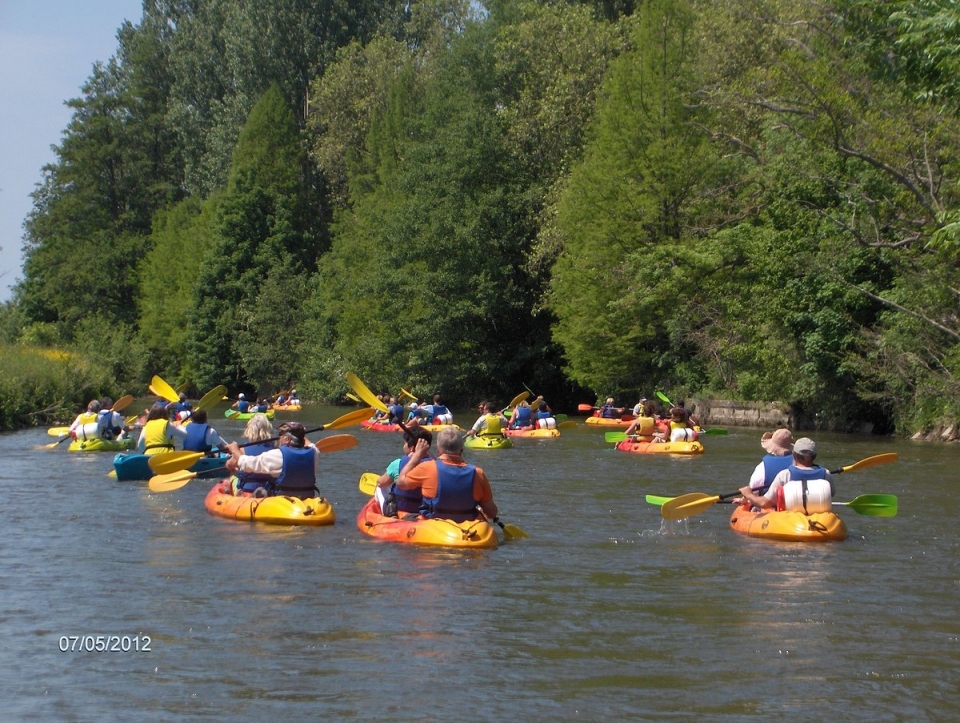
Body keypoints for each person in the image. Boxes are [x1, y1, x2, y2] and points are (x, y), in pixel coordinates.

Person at [396, 426, 499, 522]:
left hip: (434, 525)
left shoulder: (428, 468)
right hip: (468, 527)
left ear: (438, 449)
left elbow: (401, 483)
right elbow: (491, 512)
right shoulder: (478, 473)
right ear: (461, 449)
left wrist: (417, 455)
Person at [225, 421, 321, 499]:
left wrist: (235, 450)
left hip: (282, 502)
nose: (279, 438)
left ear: (287, 439)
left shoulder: (276, 455)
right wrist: (300, 433)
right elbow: (310, 444)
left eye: (281, 435)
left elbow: (246, 463)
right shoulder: (314, 453)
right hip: (306, 499)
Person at [737, 437, 834, 512]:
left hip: (791, 519)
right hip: (820, 519)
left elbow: (764, 503)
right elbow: (831, 494)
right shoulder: (826, 474)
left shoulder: (785, 475)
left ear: (794, 455)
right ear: (815, 456)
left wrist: (748, 494)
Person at [375, 426, 434, 517]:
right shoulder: (434, 465)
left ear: (411, 447)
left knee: (379, 487)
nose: (403, 446)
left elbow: (381, 483)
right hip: (422, 511)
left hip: (401, 509)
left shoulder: (398, 463)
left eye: (404, 443)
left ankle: (390, 514)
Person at [737, 429, 796, 499]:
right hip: (794, 505)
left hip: (767, 506)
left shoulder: (762, 467)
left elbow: (753, 491)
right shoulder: (801, 463)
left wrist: (745, 498)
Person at [231, 414, 277, 495]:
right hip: (268, 489)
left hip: (247, 490)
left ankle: (234, 494)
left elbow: (230, 465)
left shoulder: (242, 450)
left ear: (250, 430)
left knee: (232, 478)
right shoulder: (276, 449)